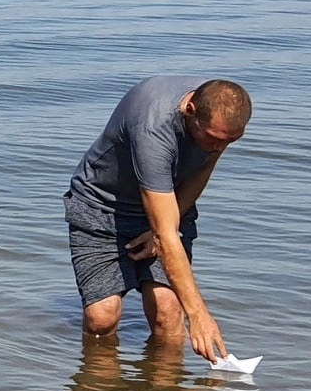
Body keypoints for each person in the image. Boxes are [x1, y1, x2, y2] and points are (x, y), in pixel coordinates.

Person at [65, 76, 252, 360]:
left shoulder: (217, 118)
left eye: (229, 141)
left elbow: (203, 168)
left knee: (168, 311)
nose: (218, 148)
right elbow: (165, 236)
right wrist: (199, 315)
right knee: (101, 318)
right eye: (213, 139)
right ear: (189, 109)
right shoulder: (154, 127)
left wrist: (168, 225)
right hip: (102, 205)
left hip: (169, 202)